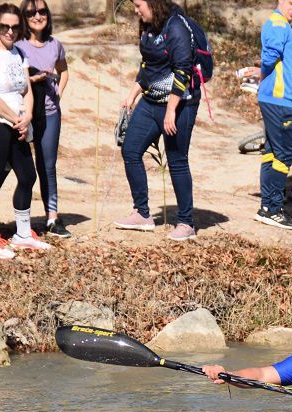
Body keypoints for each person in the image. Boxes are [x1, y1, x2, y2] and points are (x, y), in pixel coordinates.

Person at [116, 0, 203, 241]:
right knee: (131, 150)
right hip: (152, 100)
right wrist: (132, 95)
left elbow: (183, 71)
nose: (135, 10)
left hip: (180, 103)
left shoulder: (176, 27)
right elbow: (148, 65)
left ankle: (186, 223)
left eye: (138, 5)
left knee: (176, 160)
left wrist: (171, 111)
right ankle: (142, 213)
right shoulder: (149, 26)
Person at [0, 3, 51, 259]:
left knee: (28, 176)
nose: (10, 31)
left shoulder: (19, 54)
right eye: (5, 26)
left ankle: (23, 233)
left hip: (18, 123)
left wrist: (27, 116)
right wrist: (16, 119)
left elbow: (26, 89)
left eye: (15, 27)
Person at [16, 0, 70, 238]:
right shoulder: (17, 46)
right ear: (24, 18)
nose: (37, 16)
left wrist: (58, 92)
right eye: (31, 13)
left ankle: (52, 218)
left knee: (47, 166)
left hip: (49, 113)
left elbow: (64, 71)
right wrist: (33, 80)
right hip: (21, 114)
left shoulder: (55, 45)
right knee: (11, 165)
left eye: (42, 11)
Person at [254, 0, 292, 231]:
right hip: (280, 100)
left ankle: (268, 206)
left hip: (282, 100)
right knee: (285, 153)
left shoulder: (282, 25)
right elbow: (269, 57)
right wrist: (264, 74)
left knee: (273, 152)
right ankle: (272, 208)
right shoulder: (277, 25)